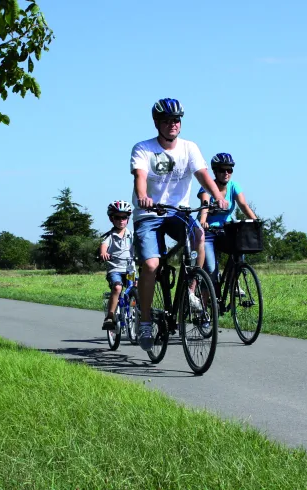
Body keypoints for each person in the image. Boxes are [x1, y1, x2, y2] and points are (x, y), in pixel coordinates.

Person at [130, 97, 229, 351]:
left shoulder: (189, 148)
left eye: (176, 120)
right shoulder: (143, 148)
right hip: (149, 216)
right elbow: (140, 177)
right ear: (156, 123)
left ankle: (193, 289)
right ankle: (144, 320)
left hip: (178, 213)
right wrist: (143, 197)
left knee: (199, 234)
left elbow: (202, 175)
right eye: (167, 121)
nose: (173, 125)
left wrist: (218, 196)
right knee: (152, 264)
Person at [197, 153, 258, 291]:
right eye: (222, 170)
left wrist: (255, 222)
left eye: (229, 170)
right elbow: (205, 205)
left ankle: (233, 283)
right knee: (211, 270)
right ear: (214, 171)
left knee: (240, 249)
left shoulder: (234, 186)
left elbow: (243, 205)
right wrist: (203, 221)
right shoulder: (207, 187)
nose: (226, 173)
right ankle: (205, 307)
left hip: (227, 229)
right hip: (209, 232)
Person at [99, 200, 135, 331]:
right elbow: (104, 246)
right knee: (118, 288)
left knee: (136, 288)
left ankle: (137, 313)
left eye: (124, 217)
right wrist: (103, 253)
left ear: (128, 219)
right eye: (117, 217)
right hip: (115, 269)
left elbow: (140, 245)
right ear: (111, 219)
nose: (121, 220)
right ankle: (110, 316)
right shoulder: (110, 236)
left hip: (130, 269)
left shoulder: (132, 235)